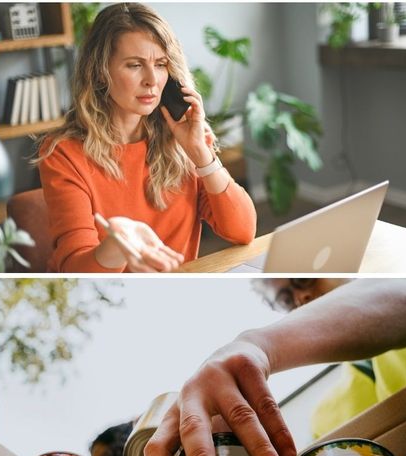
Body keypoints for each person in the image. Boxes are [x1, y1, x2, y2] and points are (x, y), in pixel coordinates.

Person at [144, 278, 406, 456]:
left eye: (302, 280)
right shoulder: (323, 418)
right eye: (285, 299)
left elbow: (402, 294)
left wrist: (255, 344)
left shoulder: (402, 304)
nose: (302, 297)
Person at [35, 3, 255, 273]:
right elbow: (75, 270)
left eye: (161, 65)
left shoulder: (184, 141)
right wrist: (117, 246)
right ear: (100, 73)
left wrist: (201, 153)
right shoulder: (64, 154)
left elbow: (243, 231)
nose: (152, 80)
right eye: (135, 65)